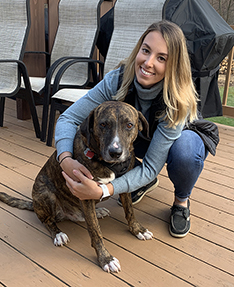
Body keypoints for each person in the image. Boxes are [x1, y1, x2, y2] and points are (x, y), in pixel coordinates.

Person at [55, 20, 217, 238]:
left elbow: (151, 166)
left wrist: (103, 190)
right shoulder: (117, 80)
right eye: (146, 51)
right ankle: (137, 181)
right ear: (138, 49)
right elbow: (69, 118)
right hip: (137, 138)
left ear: (174, 65)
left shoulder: (177, 101)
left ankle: (181, 202)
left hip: (178, 140)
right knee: (116, 137)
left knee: (186, 151)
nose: (148, 63)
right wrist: (65, 159)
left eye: (161, 58)